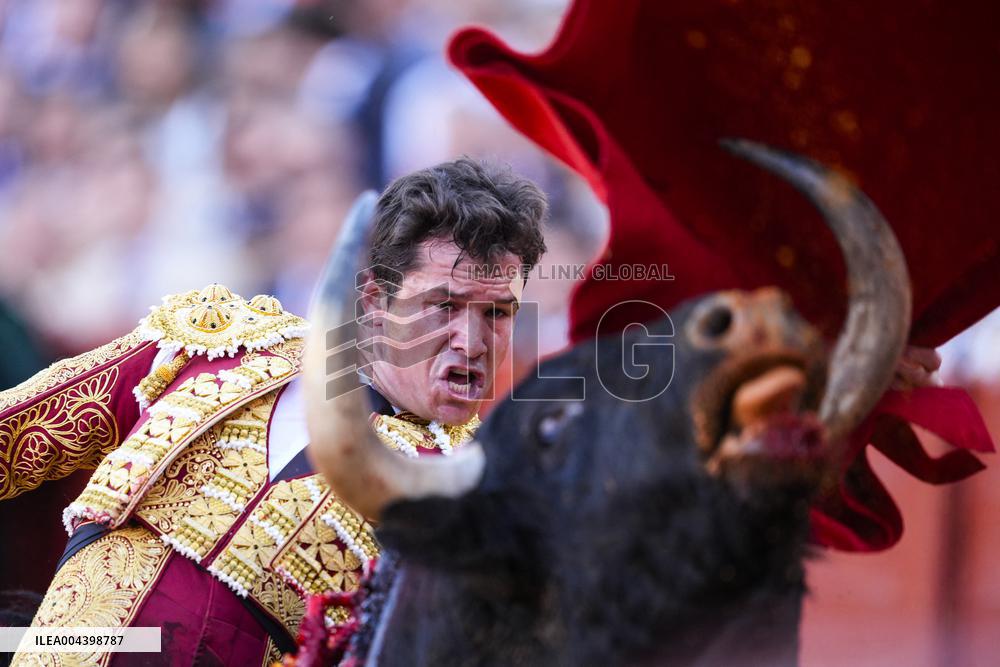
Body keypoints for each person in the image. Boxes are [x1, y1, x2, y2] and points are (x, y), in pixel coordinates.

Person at [0, 157, 547, 666]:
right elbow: (16, 434)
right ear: (377, 301)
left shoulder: (484, 494)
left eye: (499, 313)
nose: (473, 340)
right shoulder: (217, 342)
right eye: (445, 305)